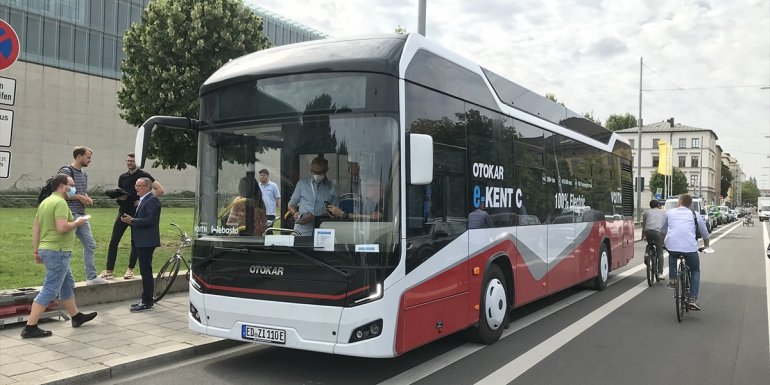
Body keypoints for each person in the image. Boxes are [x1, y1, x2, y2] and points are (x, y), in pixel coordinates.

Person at [23, 174, 98, 338]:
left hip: (49, 249)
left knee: (66, 284)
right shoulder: (60, 203)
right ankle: (30, 327)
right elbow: (62, 228)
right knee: (50, 289)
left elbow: (36, 229)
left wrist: (36, 250)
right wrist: (79, 222)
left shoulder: (45, 202)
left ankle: (76, 317)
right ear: (62, 186)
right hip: (58, 251)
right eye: (71, 185)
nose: (74, 188)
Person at [102, 153, 164, 280]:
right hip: (123, 211)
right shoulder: (122, 177)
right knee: (114, 241)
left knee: (135, 242)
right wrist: (119, 197)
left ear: (138, 162)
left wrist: (143, 201)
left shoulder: (144, 176)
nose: (130, 163)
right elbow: (120, 194)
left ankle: (130, 270)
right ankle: (109, 270)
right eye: (128, 161)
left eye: (132, 161)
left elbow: (160, 190)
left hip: (138, 214)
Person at [61, 146, 107, 285]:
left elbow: (82, 192)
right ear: (79, 156)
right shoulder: (66, 171)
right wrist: (81, 197)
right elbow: (62, 193)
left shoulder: (84, 174)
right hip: (69, 214)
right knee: (65, 247)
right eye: (88, 157)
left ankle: (91, 277)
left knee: (90, 244)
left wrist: (87, 198)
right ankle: (65, 279)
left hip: (81, 214)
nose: (90, 160)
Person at [661, 194, 710, 311]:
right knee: (695, 270)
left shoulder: (669, 212)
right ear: (690, 204)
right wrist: (706, 245)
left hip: (672, 246)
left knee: (672, 253)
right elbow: (705, 232)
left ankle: (673, 279)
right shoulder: (695, 214)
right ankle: (692, 299)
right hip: (690, 248)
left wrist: (662, 243)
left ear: (679, 202)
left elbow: (662, 230)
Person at [120, 177, 161, 312]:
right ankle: (146, 298)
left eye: (139, 185)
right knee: (145, 270)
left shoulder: (152, 200)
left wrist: (132, 220)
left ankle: (147, 301)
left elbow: (151, 220)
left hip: (147, 241)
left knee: (146, 271)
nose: (136, 188)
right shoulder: (144, 200)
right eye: (136, 185)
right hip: (142, 240)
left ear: (148, 187)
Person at [287, 157, 338, 235]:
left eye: (320, 173)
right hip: (302, 230)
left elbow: (335, 215)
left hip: (323, 230)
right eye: (314, 172)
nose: (317, 175)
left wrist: (315, 218)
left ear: (326, 170)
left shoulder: (333, 188)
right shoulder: (302, 184)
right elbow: (291, 204)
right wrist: (295, 213)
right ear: (311, 170)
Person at [641, 199, 666, 281]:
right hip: (658, 233)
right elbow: (665, 225)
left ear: (650, 206)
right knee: (660, 252)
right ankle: (660, 273)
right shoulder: (663, 212)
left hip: (648, 232)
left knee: (649, 244)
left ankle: (646, 255)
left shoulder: (646, 213)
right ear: (658, 205)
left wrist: (642, 236)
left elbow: (644, 226)